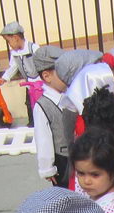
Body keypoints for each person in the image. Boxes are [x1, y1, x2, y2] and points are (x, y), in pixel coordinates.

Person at [30, 45, 77, 187]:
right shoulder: (43, 106)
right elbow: (43, 138)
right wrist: (47, 168)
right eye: (62, 71)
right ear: (47, 76)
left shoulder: (71, 96)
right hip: (62, 161)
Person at [0, 21, 40, 125]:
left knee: (41, 104)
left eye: (9, 41)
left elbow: (43, 63)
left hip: (39, 84)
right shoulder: (14, 53)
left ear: (16, 38)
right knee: (29, 104)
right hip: (29, 85)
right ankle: (32, 124)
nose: (9, 45)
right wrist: (4, 78)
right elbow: (13, 67)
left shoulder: (33, 48)